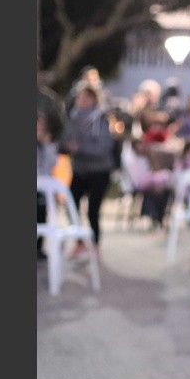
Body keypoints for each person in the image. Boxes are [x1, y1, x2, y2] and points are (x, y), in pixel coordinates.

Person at [60, 86, 116, 257]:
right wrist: (66, 147)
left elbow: (104, 147)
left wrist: (80, 148)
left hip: (99, 171)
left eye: (85, 97)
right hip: (79, 170)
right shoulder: (72, 118)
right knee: (70, 204)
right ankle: (80, 242)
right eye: (79, 97)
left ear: (93, 100)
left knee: (93, 209)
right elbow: (64, 141)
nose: (81, 101)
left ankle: (95, 244)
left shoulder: (101, 120)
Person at [37, 112, 59, 261]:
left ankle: (38, 248)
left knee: (41, 216)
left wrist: (46, 144)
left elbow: (52, 163)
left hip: (43, 188)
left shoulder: (47, 144)